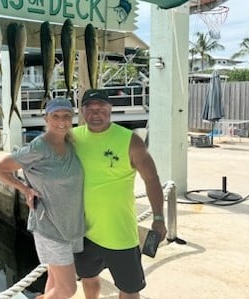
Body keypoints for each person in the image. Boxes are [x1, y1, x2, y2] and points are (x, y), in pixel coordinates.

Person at [72, 89, 167, 299]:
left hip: (120, 233)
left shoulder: (130, 140)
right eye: (90, 108)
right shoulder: (73, 137)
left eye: (101, 108)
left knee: (130, 289)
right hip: (84, 231)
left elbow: (152, 179)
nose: (96, 113)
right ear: (82, 111)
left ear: (110, 109)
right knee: (88, 277)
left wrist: (158, 218)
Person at [0, 98, 84, 298]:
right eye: (55, 116)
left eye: (67, 116)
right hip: (50, 227)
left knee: (55, 279)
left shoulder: (70, 143)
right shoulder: (39, 147)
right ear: (46, 118)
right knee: (68, 288)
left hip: (70, 226)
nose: (62, 121)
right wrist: (24, 189)